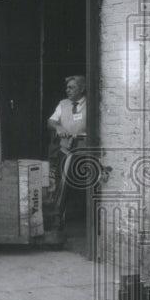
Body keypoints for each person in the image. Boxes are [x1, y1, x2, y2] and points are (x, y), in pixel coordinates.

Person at [47, 74, 88, 226]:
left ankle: (82, 219)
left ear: (82, 88)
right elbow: (51, 121)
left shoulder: (91, 104)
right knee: (61, 183)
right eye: (67, 87)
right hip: (65, 150)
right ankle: (58, 218)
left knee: (81, 185)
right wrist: (58, 127)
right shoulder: (63, 104)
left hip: (84, 152)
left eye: (71, 87)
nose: (67, 90)